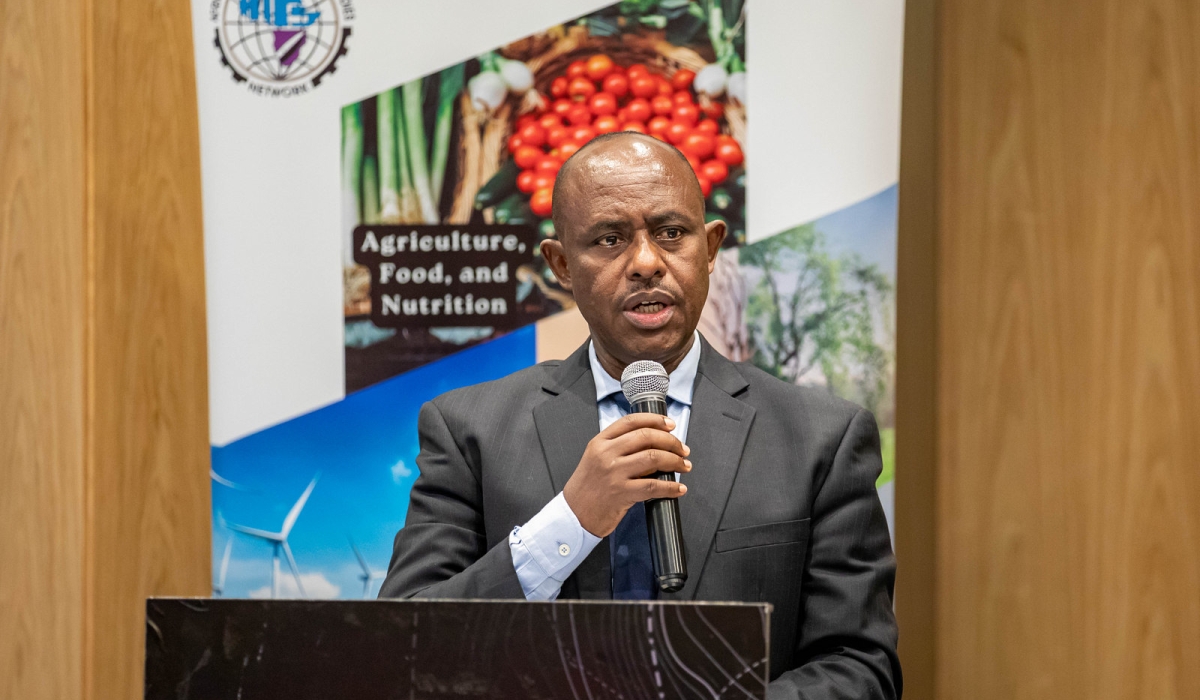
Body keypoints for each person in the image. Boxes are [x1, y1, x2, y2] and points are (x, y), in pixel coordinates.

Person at [379, 132, 901, 698]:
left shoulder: (822, 437)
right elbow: (405, 646)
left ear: (710, 247)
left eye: (671, 233)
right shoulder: (468, 430)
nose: (647, 263)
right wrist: (572, 519)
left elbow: (860, 667)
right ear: (560, 264)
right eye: (610, 239)